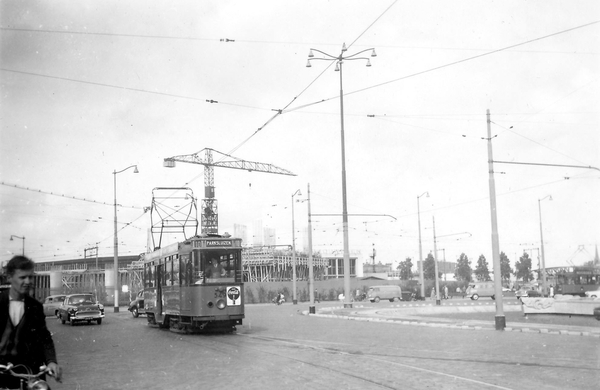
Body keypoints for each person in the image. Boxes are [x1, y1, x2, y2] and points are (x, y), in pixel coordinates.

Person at [0, 256, 62, 388]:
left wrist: (51, 361)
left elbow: (44, 337)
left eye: (30, 277)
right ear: (9, 277)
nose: (28, 281)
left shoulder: (35, 306)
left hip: (30, 373)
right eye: (22, 277)